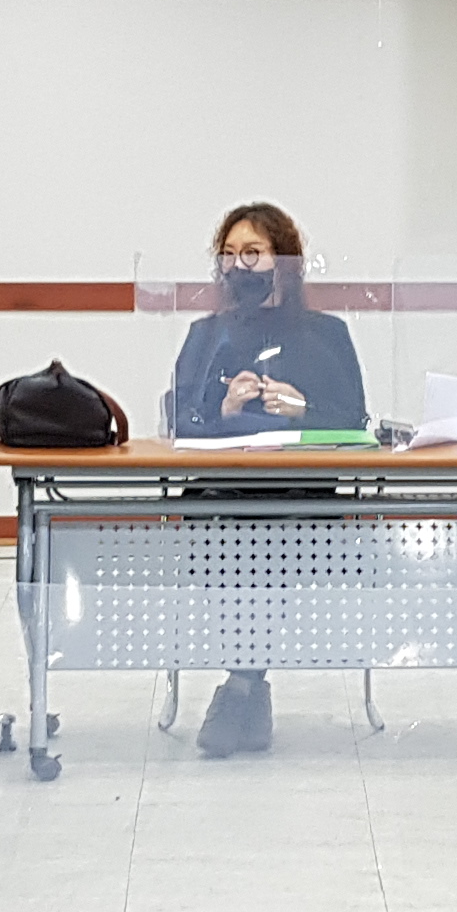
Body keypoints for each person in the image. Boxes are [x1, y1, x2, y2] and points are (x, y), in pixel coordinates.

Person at [164, 202, 368, 758]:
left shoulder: (326, 334)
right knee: (231, 533)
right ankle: (246, 687)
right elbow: (179, 421)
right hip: (222, 494)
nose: (239, 266)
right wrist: (223, 410)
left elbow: (355, 421)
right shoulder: (207, 334)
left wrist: (306, 411)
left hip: (302, 496)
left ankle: (242, 687)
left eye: (252, 253)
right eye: (229, 255)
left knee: (264, 537)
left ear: (284, 261)